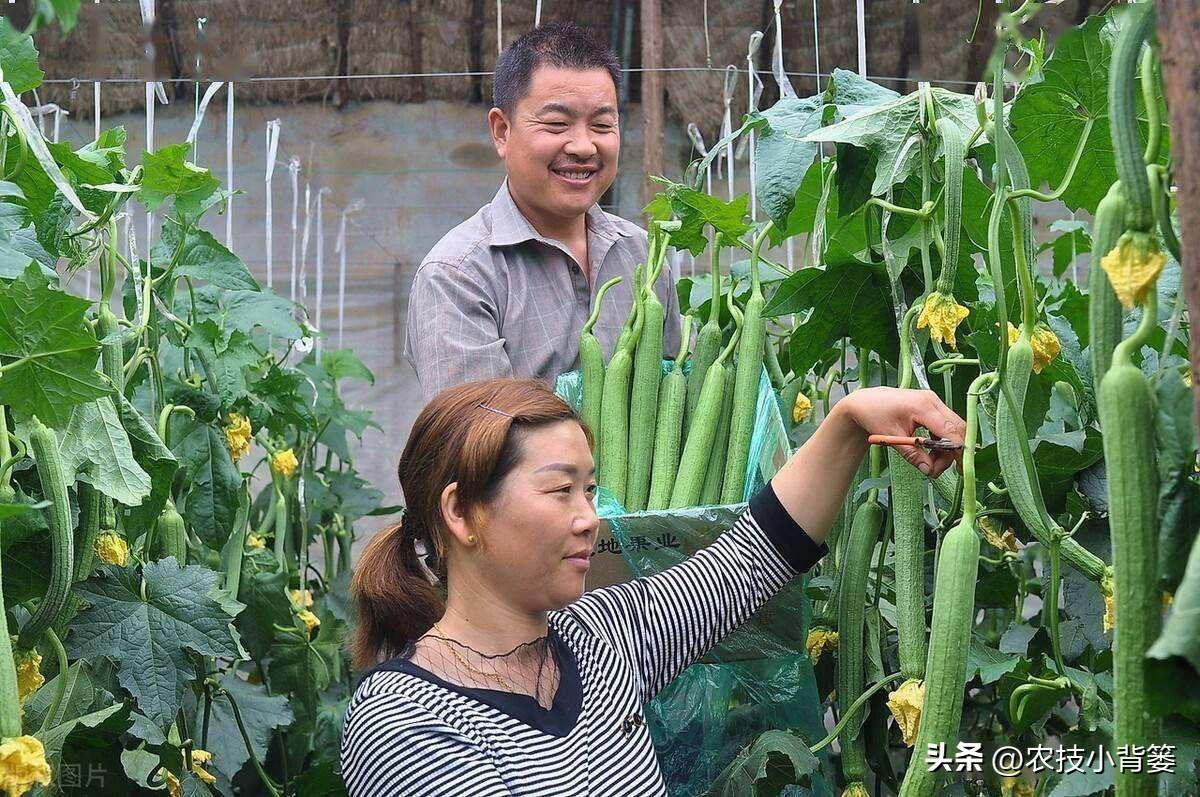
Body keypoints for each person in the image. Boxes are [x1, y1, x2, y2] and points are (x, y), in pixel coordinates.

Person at [340, 377, 964, 795]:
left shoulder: (597, 638)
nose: (589, 517)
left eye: (589, 489)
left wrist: (852, 420)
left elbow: (758, 554)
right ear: (460, 513)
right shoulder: (402, 722)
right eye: (560, 491)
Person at [402, 22, 682, 401]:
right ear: (502, 131)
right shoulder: (457, 277)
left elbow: (668, 398)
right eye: (556, 124)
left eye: (602, 124)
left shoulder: (644, 256)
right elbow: (478, 444)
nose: (584, 146)